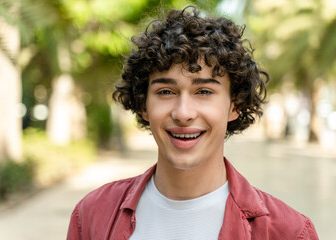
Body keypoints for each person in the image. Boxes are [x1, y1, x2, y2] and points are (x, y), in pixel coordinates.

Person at [67, 6, 318, 240]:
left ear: (235, 105)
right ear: (144, 105)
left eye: (204, 92)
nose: (183, 113)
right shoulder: (92, 215)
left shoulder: (288, 231)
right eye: (165, 91)